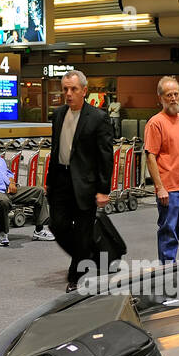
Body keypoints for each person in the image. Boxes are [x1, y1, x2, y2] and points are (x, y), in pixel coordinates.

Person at [48, 70, 114, 292]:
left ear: (84, 91)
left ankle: (76, 275)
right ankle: (87, 254)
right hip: (60, 181)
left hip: (85, 183)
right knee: (57, 225)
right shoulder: (58, 115)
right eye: (65, 89)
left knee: (83, 229)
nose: (68, 94)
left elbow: (105, 156)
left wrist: (104, 190)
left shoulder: (97, 118)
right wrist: (49, 181)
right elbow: (55, 149)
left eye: (73, 89)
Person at [143, 77, 179, 265]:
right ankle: (167, 268)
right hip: (169, 189)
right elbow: (150, 157)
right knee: (168, 228)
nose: (173, 98)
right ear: (160, 98)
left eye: (176, 94)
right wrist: (160, 187)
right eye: (169, 95)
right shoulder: (155, 123)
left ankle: (168, 260)